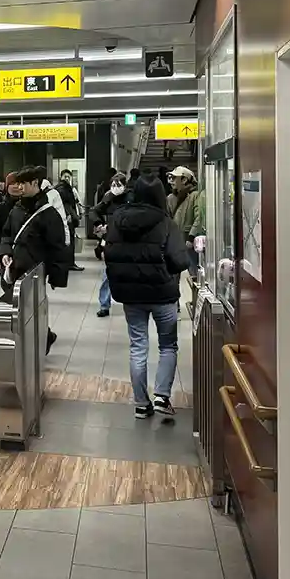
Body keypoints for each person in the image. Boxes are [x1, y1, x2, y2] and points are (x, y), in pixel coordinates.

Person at [104, 174, 191, 419]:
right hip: (163, 294)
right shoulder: (166, 222)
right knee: (168, 345)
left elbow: (109, 254)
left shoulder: (119, 219)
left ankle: (141, 404)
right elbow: (180, 261)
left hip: (132, 296)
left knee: (138, 346)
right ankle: (162, 396)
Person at [0, 166, 71, 353]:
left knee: (32, 309)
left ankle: (41, 340)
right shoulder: (16, 209)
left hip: (35, 272)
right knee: (21, 308)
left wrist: (57, 276)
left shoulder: (48, 213)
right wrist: (4, 253)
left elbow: (57, 246)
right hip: (13, 269)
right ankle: (38, 339)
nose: (19, 187)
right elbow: (6, 235)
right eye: (18, 183)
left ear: (35, 183)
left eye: (23, 183)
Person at [91, 172, 129, 317]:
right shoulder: (108, 197)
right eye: (113, 185)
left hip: (127, 240)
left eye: (118, 185)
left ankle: (131, 303)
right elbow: (95, 211)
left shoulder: (131, 198)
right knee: (107, 274)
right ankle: (104, 305)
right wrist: (99, 224)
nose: (115, 187)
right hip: (111, 240)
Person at [166, 166, 202, 276]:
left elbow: (199, 217)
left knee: (193, 270)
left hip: (188, 242)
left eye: (174, 178)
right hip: (175, 242)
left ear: (184, 180)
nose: (171, 181)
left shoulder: (195, 196)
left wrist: (191, 237)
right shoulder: (170, 198)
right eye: (170, 178)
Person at [54, 169, 84, 272]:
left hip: (67, 217)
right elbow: (63, 204)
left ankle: (68, 262)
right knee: (69, 240)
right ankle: (69, 263)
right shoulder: (62, 189)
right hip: (67, 218)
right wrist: (67, 215)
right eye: (65, 176)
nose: (67, 178)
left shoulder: (66, 188)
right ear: (61, 177)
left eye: (68, 176)